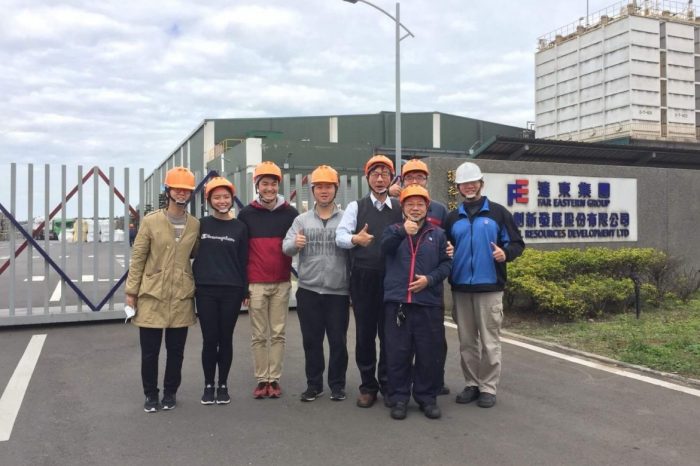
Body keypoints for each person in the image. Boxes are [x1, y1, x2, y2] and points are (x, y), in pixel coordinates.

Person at [445, 161, 525, 409]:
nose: (469, 186)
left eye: (473, 182)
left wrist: (505, 253)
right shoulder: (452, 218)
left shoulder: (498, 213)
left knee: (490, 343)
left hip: (490, 287)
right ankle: (471, 384)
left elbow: (517, 244)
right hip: (460, 288)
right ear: (458, 187)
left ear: (481, 183)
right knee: (467, 343)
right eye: (464, 183)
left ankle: (488, 388)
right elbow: (444, 248)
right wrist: (446, 252)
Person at [125, 166, 199, 413]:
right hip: (151, 295)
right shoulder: (151, 221)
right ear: (168, 191)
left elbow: (199, 255)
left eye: (186, 190)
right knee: (150, 352)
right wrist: (131, 293)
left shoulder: (195, 225)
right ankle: (150, 394)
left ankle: (170, 392)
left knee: (176, 351)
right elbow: (138, 259)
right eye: (177, 188)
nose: (181, 193)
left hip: (181, 295)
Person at [336, 154, 402, 408]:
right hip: (363, 277)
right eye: (374, 173)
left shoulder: (399, 207)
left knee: (390, 335)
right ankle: (367, 386)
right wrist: (356, 240)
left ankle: (387, 383)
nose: (379, 178)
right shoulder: (356, 206)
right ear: (367, 178)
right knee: (365, 335)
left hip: (392, 278)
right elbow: (340, 236)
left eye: (384, 173)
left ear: (391, 177)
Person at [382, 185, 452, 420]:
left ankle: (426, 398)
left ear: (427, 208)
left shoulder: (438, 235)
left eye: (420, 204)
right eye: (410, 204)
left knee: (427, 353)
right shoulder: (392, 231)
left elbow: (446, 265)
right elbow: (385, 249)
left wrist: (429, 280)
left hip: (428, 303)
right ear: (402, 207)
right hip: (398, 302)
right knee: (398, 353)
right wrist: (403, 232)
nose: (415, 208)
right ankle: (399, 398)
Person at [283, 165, 350, 402]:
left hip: (338, 292)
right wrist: (295, 244)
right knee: (311, 341)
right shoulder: (301, 220)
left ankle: (337, 385)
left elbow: (355, 244)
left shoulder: (346, 219)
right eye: (319, 187)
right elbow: (286, 246)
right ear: (312, 190)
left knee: (338, 341)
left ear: (336, 190)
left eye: (328, 187)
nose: (324, 191)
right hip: (309, 291)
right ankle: (314, 384)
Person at [238, 161, 298, 399]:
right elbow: (242, 252)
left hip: (282, 282)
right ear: (257, 186)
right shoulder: (246, 214)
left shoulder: (291, 213)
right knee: (259, 335)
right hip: (256, 284)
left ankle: (274, 379)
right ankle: (262, 379)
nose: (269, 188)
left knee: (279, 333)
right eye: (265, 184)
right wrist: (244, 287)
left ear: (278, 185)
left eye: (273, 184)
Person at [192, 177, 248, 405]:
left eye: (226, 197)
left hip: (232, 290)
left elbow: (244, 260)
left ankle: (223, 384)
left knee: (226, 339)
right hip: (205, 290)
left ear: (232, 199)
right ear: (209, 200)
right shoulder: (200, 224)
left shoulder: (240, 228)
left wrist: (245, 290)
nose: (222, 201)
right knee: (209, 339)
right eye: (217, 197)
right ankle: (208, 384)